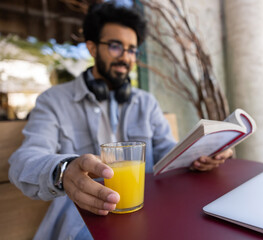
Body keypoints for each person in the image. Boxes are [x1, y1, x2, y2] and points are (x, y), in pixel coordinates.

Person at [8, 2, 233, 240]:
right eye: (116, 46)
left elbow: (167, 151)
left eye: (132, 50)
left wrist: (201, 153)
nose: (126, 57)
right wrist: (64, 171)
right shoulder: (54, 101)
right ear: (92, 48)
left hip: (147, 212)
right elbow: (23, 160)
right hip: (81, 221)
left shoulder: (147, 103)